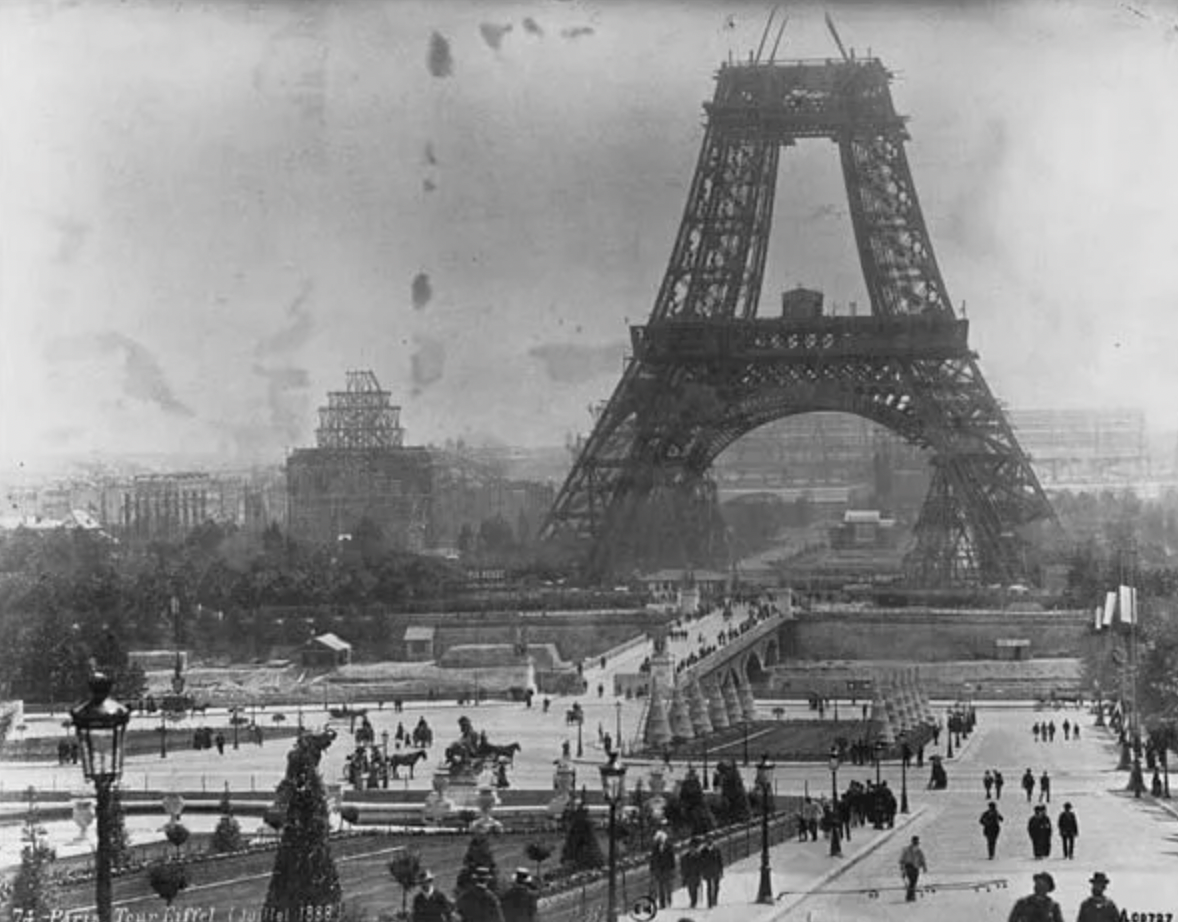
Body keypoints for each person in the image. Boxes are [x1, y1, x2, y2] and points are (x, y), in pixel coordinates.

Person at [649, 830, 677, 909]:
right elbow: (653, 859)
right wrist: (652, 868)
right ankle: (662, 904)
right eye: (658, 838)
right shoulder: (655, 847)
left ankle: (669, 900)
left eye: (661, 838)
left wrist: (673, 868)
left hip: (667, 869)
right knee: (660, 887)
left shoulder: (669, 846)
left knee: (668, 887)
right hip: (659, 870)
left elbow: (672, 858)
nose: (660, 840)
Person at [898, 835, 928, 902]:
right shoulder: (906, 849)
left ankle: (911, 895)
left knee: (914, 882)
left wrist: (924, 867)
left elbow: (922, 859)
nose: (916, 842)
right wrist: (902, 868)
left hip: (916, 868)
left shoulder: (919, 850)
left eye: (917, 841)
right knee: (912, 881)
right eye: (915, 841)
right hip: (909, 867)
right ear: (912, 841)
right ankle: (910, 896)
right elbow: (902, 859)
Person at [700, 833, 724, 908]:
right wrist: (702, 872)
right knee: (709, 887)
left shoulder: (717, 849)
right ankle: (709, 902)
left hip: (716, 869)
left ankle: (715, 899)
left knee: (716, 886)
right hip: (708, 870)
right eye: (707, 839)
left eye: (710, 838)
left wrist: (721, 871)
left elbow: (720, 860)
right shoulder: (703, 850)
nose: (709, 840)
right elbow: (701, 862)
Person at [680, 837, 703, 909]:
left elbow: (701, 865)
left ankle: (694, 902)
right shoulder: (685, 856)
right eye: (690, 848)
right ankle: (692, 900)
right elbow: (683, 866)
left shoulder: (698, 856)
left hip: (696, 874)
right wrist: (683, 874)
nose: (691, 849)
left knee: (694, 889)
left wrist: (700, 873)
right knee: (690, 889)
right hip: (688, 875)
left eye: (693, 848)